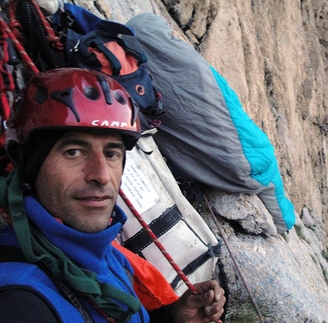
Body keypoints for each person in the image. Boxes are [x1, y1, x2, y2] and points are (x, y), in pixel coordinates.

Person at [0, 68, 225, 323]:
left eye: (111, 153)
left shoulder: (106, 253)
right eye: (74, 152)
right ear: (29, 165)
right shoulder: (20, 304)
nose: (102, 175)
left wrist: (172, 318)